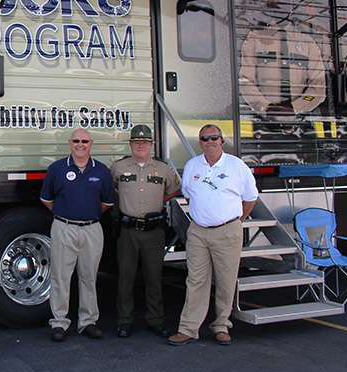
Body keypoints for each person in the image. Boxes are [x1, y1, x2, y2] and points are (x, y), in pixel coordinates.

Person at [168, 124, 258, 346]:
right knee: (196, 280)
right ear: (200, 143)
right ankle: (188, 329)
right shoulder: (192, 166)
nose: (209, 142)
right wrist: (205, 214)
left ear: (222, 140)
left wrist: (237, 221)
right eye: (204, 139)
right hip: (198, 231)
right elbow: (189, 195)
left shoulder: (237, 166)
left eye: (213, 138)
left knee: (226, 281)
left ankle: (221, 326)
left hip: (227, 230)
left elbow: (250, 198)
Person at [40, 128, 113, 342]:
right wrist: (66, 214)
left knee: (89, 277)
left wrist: (86, 214)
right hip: (64, 227)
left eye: (85, 141)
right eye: (76, 141)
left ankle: (88, 322)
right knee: (61, 277)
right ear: (69, 143)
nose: (80, 144)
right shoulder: (57, 169)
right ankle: (59, 322)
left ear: (91, 144)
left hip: (92, 229)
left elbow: (107, 202)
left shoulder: (101, 171)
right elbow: (46, 199)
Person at [110, 125, 180, 338]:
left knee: (154, 277)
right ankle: (124, 321)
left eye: (145, 142)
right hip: (127, 231)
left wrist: (157, 205)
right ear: (130, 144)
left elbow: (174, 190)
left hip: (153, 231)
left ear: (152, 145)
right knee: (125, 277)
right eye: (136, 142)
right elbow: (112, 190)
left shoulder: (163, 169)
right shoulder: (118, 167)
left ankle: (155, 320)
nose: (141, 145)